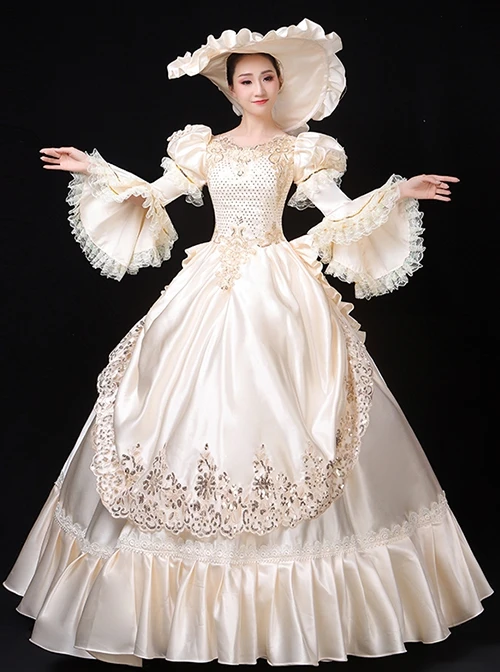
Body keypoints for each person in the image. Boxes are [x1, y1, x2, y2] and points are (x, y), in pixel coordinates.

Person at [4, 17, 491, 667]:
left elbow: (340, 212)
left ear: (279, 84)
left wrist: (398, 192)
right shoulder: (203, 148)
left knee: (295, 415)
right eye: (246, 80)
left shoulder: (300, 151)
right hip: (209, 286)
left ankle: (288, 613)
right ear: (230, 90)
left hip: (278, 290)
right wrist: (94, 168)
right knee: (176, 410)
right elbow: (154, 195)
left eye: (266, 78)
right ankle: (160, 611)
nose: (258, 88)